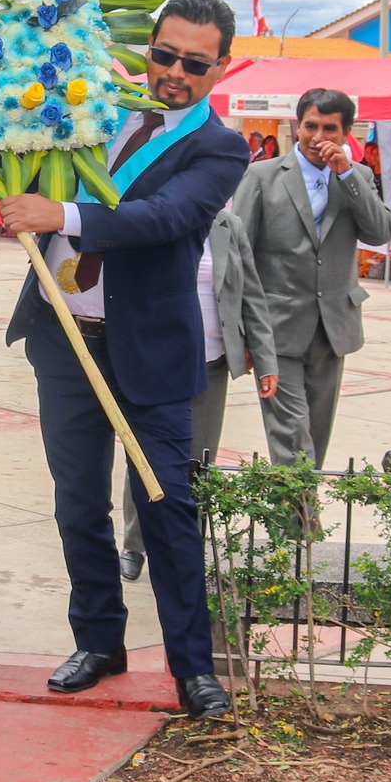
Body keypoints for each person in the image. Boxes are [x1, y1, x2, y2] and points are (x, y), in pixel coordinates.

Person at [0, 0, 249, 719]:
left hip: (151, 350)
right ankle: (99, 639)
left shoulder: (219, 147)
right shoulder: (90, 109)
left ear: (221, 69)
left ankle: (192, 668)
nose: (174, 72)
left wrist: (64, 215)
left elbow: (164, 217)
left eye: (194, 64)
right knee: (78, 503)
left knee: (166, 505)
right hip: (64, 336)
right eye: (164, 54)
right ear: (149, 48)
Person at [234, 88, 391, 470]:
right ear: (297, 125)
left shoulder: (358, 177)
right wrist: (242, 332)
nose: (317, 137)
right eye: (310, 126)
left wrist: (347, 175)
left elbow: (379, 232)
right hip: (277, 331)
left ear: (346, 132)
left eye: (329, 129)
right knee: (292, 440)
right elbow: (238, 256)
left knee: (315, 440)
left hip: (334, 329)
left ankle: (299, 523)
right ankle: (296, 528)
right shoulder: (262, 176)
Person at [118, 207, 276, 581]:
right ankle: (135, 543)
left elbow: (250, 293)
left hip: (211, 364)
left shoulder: (228, 226)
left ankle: (186, 547)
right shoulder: (159, 217)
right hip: (158, 363)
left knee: (198, 462)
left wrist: (266, 358)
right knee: (148, 457)